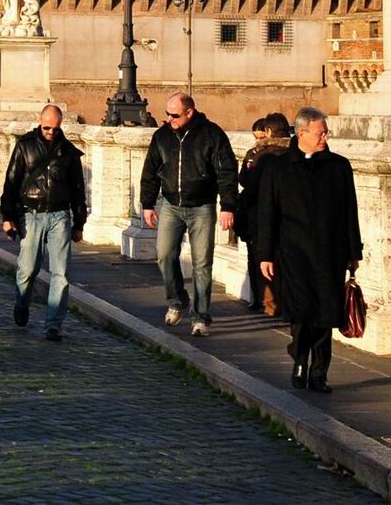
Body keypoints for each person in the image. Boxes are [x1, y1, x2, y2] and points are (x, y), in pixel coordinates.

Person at [256, 107, 361, 393]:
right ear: (301, 133)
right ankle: (300, 360)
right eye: (320, 132)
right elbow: (267, 213)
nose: (325, 137)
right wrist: (265, 253)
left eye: (326, 132)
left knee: (326, 312)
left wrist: (354, 251)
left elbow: (349, 211)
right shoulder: (278, 168)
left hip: (331, 251)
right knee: (302, 311)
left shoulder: (338, 166)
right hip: (294, 252)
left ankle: (319, 372)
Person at [139, 92, 237, 337]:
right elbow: (150, 171)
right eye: (167, 114)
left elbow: (227, 171)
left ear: (189, 113)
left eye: (174, 115)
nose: (169, 119)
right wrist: (147, 204)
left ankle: (201, 317)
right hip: (171, 205)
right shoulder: (162, 137)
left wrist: (227, 206)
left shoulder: (212, 135)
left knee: (202, 264)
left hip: (202, 206)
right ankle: (177, 299)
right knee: (164, 255)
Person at [1, 103, 87, 340]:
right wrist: (8, 217)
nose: (50, 132)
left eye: (55, 128)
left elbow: (78, 189)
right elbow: (11, 182)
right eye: (47, 127)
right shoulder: (24, 146)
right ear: (40, 121)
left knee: (61, 274)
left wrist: (79, 223)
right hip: (31, 213)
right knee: (27, 269)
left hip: (60, 215)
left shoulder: (68, 152)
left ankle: (53, 324)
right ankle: (22, 302)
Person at [237, 112, 293, 316]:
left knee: (262, 259)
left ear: (269, 131)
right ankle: (284, 303)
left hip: (261, 215)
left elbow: (247, 184)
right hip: (290, 218)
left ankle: (269, 303)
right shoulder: (296, 152)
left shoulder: (261, 156)